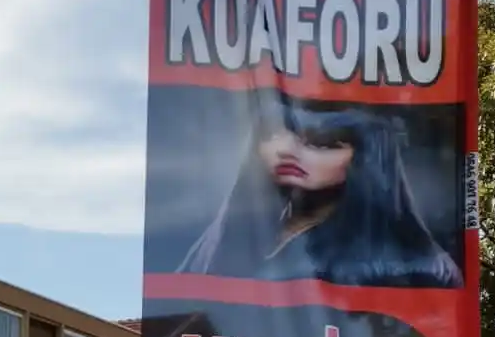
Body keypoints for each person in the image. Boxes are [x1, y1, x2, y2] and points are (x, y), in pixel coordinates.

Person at [178, 97, 461, 289]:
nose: (286, 150)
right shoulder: (222, 239)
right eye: (273, 134)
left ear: (364, 160)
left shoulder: (416, 264)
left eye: (321, 143)